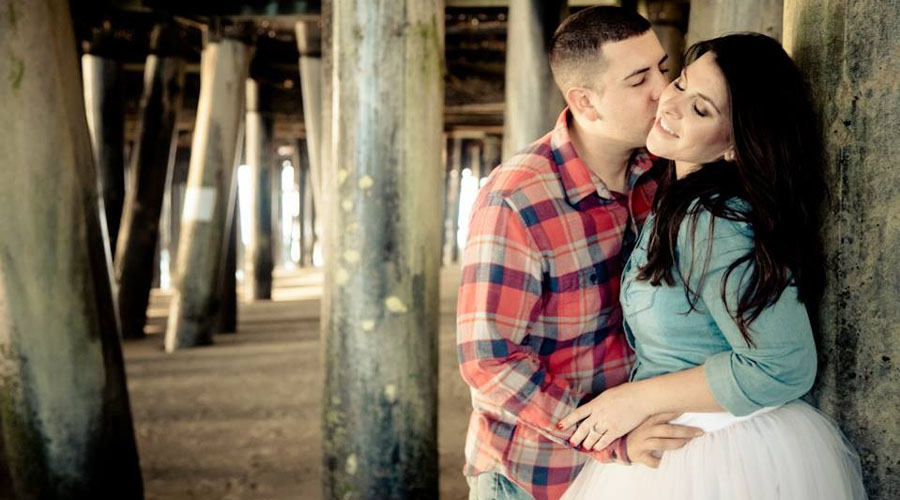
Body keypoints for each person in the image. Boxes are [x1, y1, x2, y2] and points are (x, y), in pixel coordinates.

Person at [558, 33, 867, 499]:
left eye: (701, 109)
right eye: (681, 83)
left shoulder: (714, 218)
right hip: (681, 444)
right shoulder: (672, 198)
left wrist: (632, 399)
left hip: (713, 454)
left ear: (734, 147)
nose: (670, 103)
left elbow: (782, 365)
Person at [456, 7, 705, 500]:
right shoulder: (518, 198)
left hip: (636, 471)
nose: (663, 92)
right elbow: (489, 360)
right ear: (585, 103)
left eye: (662, 68)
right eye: (638, 80)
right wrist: (611, 436)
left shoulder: (666, 171)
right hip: (533, 474)